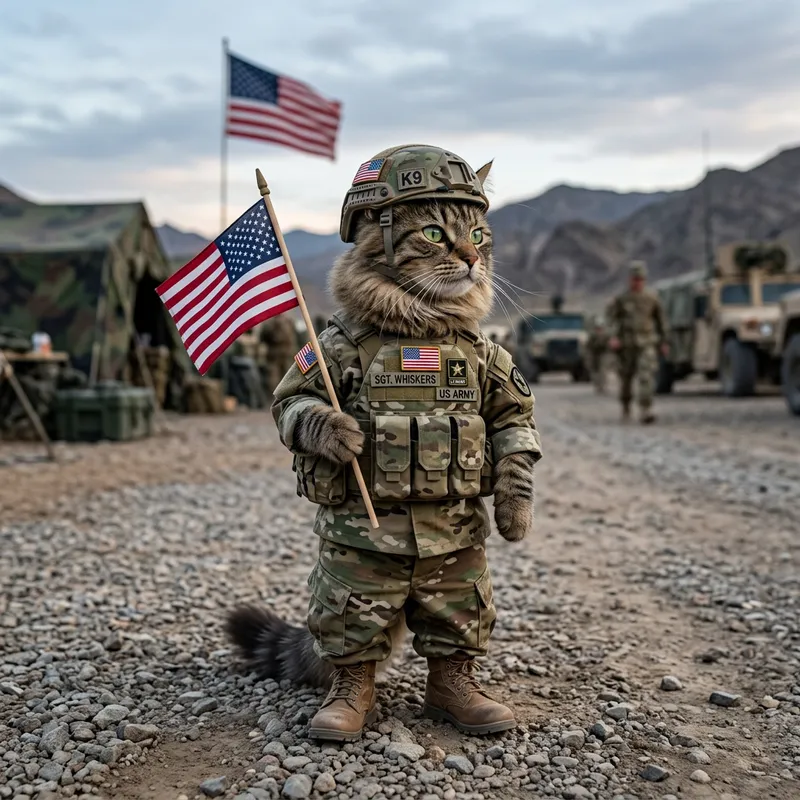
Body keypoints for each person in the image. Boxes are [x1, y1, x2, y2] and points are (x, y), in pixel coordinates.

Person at [226, 144, 542, 742]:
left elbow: (513, 413)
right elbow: (288, 400)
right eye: (435, 236)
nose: (469, 257)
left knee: (459, 600)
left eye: (477, 237)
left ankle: (453, 682)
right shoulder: (341, 343)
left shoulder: (475, 349)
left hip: (452, 528)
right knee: (352, 598)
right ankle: (352, 684)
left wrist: (515, 486)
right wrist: (317, 425)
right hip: (362, 533)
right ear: (377, 234)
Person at [606, 261, 669, 423]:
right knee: (626, 378)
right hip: (626, 345)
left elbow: (661, 321)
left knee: (646, 375)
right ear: (630, 280)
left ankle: (645, 409)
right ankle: (626, 406)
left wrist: (664, 341)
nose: (637, 282)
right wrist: (613, 337)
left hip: (646, 343)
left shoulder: (651, 298)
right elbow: (612, 319)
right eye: (635, 279)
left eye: (640, 279)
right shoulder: (621, 299)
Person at [259, 315, 298, 398]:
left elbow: (262, 337)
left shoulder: (269, 323)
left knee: (274, 376)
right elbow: (294, 336)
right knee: (287, 375)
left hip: (274, 352)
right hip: (287, 351)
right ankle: (287, 396)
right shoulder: (289, 320)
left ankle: (276, 397)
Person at [586, 314, 610, 394]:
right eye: (598, 328)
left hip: (603, 354)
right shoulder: (593, 336)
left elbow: (608, 345)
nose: (599, 330)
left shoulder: (606, 335)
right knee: (595, 370)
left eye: (600, 328)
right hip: (595, 354)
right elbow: (589, 346)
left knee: (603, 370)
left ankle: (602, 386)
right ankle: (597, 385)